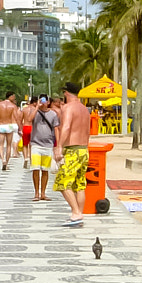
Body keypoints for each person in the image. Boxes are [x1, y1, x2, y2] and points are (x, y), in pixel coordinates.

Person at [53, 81, 91, 226]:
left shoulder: (68, 108)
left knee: (63, 182)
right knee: (79, 184)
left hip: (72, 149)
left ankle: (76, 213)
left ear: (66, 93)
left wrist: (59, 147)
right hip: (83, 148)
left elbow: (66, 126)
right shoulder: (84, 109)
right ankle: (79, 215)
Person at [28, 95, 58, 201]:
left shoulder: (53, 114)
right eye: (41, 100)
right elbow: (29, 119)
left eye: (45, 100)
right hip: (36, 144)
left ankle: (43, 193)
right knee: (35, 169)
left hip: (48, 145)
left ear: (48, 102)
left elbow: (56, 129)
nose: (43, 102)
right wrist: (37, 107)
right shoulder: (35, 112)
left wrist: (56, 145)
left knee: (45, 170)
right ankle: (36, 193)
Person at [0, 92, 19, 170]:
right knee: (8, 145)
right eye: (13, 96)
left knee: (1, 144)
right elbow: (16, 117)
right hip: (9, 125)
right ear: (10, 96)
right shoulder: (13, 106)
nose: (14, 98)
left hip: (1, 125)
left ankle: (3, 160)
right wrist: (19, 127)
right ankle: (6, 163)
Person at [19, 97, 37, 169]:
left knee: (25, 145)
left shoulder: (24, 109)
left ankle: (25, 158)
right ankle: (31, 159)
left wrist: (20, 129)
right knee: (32, 145)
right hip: (33, 128)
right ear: (35, 102)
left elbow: (20, 120)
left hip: (25, 127)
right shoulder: (35, 110)